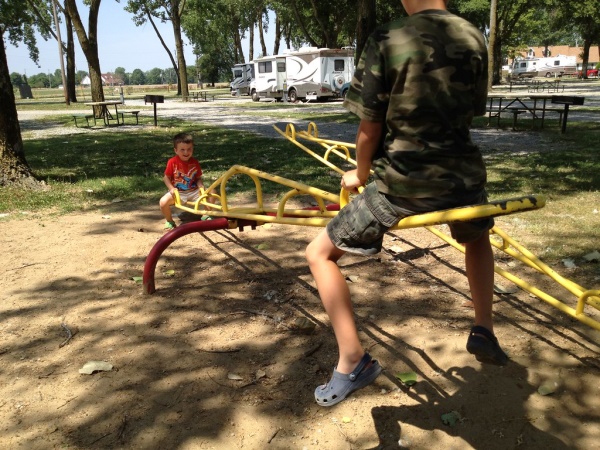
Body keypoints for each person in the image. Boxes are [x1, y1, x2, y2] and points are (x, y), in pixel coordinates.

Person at [306, 0, 507, 408]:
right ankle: (484, 327)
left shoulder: (388, 37)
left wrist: (360, 173)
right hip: (465, 180)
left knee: (318, 254)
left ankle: (353, 358)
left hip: (403, 184)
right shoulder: (473, 35)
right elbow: (471, 111)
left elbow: (369, 126)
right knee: (476, 237)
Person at [160, 132, 207, 230]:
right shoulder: (172, 162)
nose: (186, 152)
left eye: (189, 149)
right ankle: (169, 221)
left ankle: (207, 215)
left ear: (192, 149)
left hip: (194, 191)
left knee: (212, 192)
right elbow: (166, 177)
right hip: (178, 193)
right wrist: (171, 189)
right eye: (182, 149)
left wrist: (200, 185)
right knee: (163, 202)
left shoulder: (195, 162)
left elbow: (198, 178)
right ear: (176, 150)